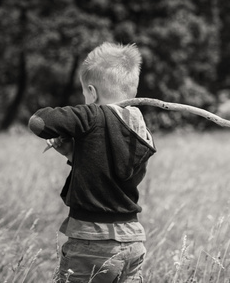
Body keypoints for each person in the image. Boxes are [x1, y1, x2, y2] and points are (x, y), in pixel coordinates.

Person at [28, 42, 156, 283]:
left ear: (92, 91)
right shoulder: (140, 128)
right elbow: (114, 171)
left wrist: (71, 117)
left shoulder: (92, 114)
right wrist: (73, 155)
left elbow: (39, 122)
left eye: (84, 94)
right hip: (132, 241)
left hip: (90, 242)